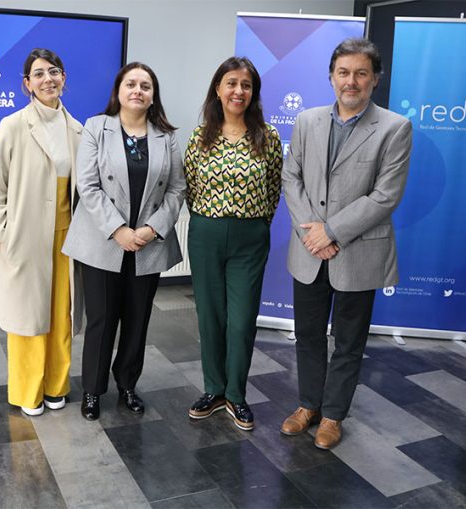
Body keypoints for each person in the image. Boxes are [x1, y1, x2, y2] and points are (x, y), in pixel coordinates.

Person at [280, 38, 412, 449]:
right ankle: (308, 405)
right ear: (331, 77)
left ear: (375, 79)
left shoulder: (394, 128)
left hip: (357, 252)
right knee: (308, 335)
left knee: (349, 341)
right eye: (343, 72)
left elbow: (385, 196)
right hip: (309, 251)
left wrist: (332, 231)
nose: (350, 81)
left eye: (360, 73)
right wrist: (313, 234)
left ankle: (333, 415)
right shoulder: (307, 121)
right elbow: (291, 178)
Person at [62, 62, 185, 421]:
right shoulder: (96, 127)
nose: (137, 90)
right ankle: (93, 389)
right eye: (131, 84)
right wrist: (118, 230)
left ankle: (128, 384)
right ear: (118, 90)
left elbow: (177, 188)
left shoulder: (166, 136)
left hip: (147, 243)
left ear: (153, 96)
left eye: (145, 86)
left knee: (137, 320)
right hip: (103, 241)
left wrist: (152, 229)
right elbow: (87, 185)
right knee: (101, 319)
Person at [0, 48, 83, 417]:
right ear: (27, 84)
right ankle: (28, 391)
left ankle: (56, 385)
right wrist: (2, 233)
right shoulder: (12, 125)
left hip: (67, 236)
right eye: (38, 74)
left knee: (61, 315)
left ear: (64, 78)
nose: (47, 79)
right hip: (24, 236)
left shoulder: (78, 130)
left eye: (54, 72)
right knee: (27, 318)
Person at [185, 57, 282, 431]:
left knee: (241, 321)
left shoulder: (268, 137)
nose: (238, 91)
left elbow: (274, 188)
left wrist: (253, 222)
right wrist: (212, 218)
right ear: (218, 89)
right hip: (206, 235)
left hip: (250, 238)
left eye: (246, 85)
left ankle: (236, 395)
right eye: (231, 83)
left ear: (253, 92)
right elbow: (191, 187)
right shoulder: (200, 137)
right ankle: (213, 390)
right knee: (210, 317)